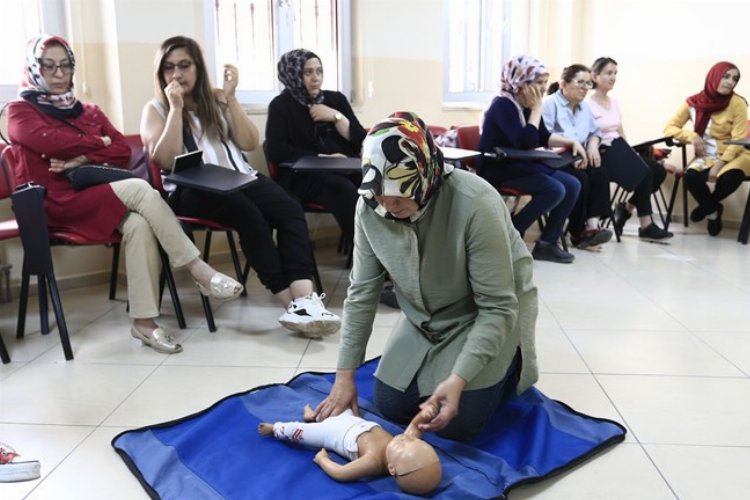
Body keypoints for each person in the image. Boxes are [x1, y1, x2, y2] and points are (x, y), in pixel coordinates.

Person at [8, 34, 243, 355]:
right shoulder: (20, 111)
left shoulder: (86, 109)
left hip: (94, 195)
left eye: (65, 66)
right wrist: (97, 144)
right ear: (35, 69)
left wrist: (83, 157)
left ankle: (144, 324)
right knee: (137, 187)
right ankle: (198, 269)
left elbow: (119, 150)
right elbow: (49, 142)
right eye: (48, 67)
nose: (59, 74)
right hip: (51, 204)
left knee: (139, 225)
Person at [315, 112, 539, 442]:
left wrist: (460, 377)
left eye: (399, 192)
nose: (388, 204)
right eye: (380, 193)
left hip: (483, 316)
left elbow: (498, 308)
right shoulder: (370, 209)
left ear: (425, 173)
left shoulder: (476, 202)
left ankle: (508, 367)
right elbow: (361, 293)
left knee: (458, 423)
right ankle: (453, 373)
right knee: (390, 404)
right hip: (426, 320)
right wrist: (344, 374)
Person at [140, 36, 340, 338]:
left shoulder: (216, 100)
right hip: (193, 189)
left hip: (240, 177)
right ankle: (291, 306)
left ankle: (306, 298)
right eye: (169, 68)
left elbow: (248, 142)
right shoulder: (156, 109)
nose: (177, 75)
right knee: (250, 216)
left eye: (184, 66)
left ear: (198, 68)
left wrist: (231, 99)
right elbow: (165, 159)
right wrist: (175, 109)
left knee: (290, 210)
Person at [478, 55, 582, 263]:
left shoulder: (525, 103)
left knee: (572, 184)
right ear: (520, 83)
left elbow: (541, 136)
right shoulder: (503, 105)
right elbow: (525, 142)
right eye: (538, 83)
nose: (543, 88)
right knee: (555, 189)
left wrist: (570, 142)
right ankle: (510, 236)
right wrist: (536, 110)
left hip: (520, 164)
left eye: (545, 82)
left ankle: (547, 243)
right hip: (499, 168)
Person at [265, 48, 367, 249]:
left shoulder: (335, 100)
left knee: (375, 184)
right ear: (293, 74)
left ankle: (390, 250)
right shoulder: (280, 106)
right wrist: (321, 157)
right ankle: (367, 259)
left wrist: (336, 117)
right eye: (308, 72)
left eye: (319, 71)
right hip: (304, 176)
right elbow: (276, 150)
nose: (315, 78)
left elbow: (362, 141)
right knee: (343, 189)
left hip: (345, 168)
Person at [258, 402, 441, 495]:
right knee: (339, 403)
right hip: (353, 420)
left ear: (392, 469)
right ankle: (312, 416)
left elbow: (342, 473)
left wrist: (323, 460)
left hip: (330, 433)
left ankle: (275, 428)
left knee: (296, 432)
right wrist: (424, 414)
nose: (407, 439)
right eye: (417, 442)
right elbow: (415, 428)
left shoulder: (373, 462)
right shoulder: (403, 446)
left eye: (404, 445)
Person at [587, 57, 672, 241]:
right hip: (603, 151)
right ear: (595, 75)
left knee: (658, 171)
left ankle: (626, 209)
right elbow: (588, 134)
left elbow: (619, 129)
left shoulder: (614, 102)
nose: (613, 77)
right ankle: (645, 224)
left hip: (619, 148)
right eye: (609, 73)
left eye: (615, 73)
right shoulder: (587, 104)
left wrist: (630, 152)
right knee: (645, 172)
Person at [663, 61, 750, 236]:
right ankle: (713, 210)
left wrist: (719, 165)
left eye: (734, 79)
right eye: (726, 76)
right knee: (691, 176)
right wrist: (692, 136)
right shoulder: (693, 102)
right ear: (714, 76)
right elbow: (669, 128)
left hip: (737, 153)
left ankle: (705, 208)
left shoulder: (737, 103)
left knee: (730, 177)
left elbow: (738, 138)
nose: (730, 82)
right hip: (708, 155)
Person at [542, 64, 614, 249]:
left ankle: (592, 227)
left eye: (588, 84)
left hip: (578, 155)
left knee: (601, 172)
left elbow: (595, 131)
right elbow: (544, 137)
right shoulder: (550, 104)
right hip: (556, 158)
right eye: (580, 82)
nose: (584, 88)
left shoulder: (584, 107)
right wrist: (572, 149)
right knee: (580, 179)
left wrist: (592, 145)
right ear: (564, 84)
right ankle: (577, 231)